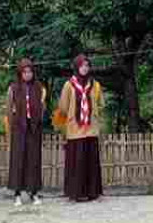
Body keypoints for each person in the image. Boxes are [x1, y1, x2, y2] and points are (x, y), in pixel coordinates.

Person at [58, 54, 104, 202]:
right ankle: (75, 193)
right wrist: (74, 115)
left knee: (91, 162)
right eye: (82, 66)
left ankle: (92, 193)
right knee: (76, 163)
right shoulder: (69, 85)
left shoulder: (95, 84)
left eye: (87, 66)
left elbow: (101, 103)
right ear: (77, 67)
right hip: (75, 130)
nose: (85, 68)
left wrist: (93, 112)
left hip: (91, 128)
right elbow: (63, 106)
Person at [7, 58, 46, 206]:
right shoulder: (13, 88)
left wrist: (38, 117)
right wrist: (13, 125)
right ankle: (17, 193)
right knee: (18, 160)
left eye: (30, 71)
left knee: (33, 160)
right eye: (25, 72)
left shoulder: (39, 87)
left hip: (34, 128)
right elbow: (9, 109)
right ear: (20, 73)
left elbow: (43, 107)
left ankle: (34, 192)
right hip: (19, 128)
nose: (28, 74)